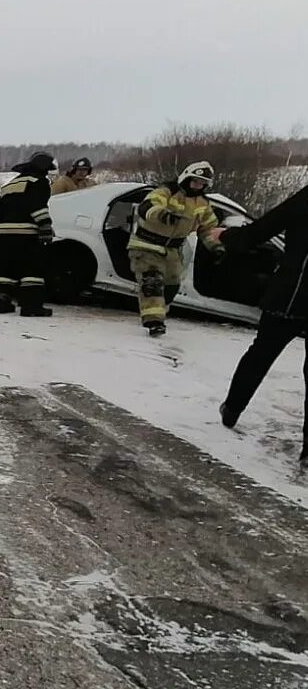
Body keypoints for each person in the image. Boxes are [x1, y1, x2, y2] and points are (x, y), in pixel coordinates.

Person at [216, 183, 308, 465]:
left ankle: (232, 409)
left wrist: (226, 236)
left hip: (288, 299)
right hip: (290, 298)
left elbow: (261, 230)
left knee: (260, 354)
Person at [127, 161, 225, 336]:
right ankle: (154, 322)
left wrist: (216, 247)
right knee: (152, 282)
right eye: (195, 181)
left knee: (171, 286)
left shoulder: (202, 203)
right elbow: (147, 206)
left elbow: (207, 229)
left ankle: (159, 312)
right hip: (146, 245)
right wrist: (163, 215)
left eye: (203, 184)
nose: (198, 186)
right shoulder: (167, 191)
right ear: (186, 178)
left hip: (173, 251)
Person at [0, 153, 56, 316]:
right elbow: (38, 207)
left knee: (7, 269)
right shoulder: (39, 182)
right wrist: (45, 228)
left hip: (3, 233)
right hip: (25, 233)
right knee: (32, 269)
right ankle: (31, 306)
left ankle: (4, 302)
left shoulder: (10, 184)